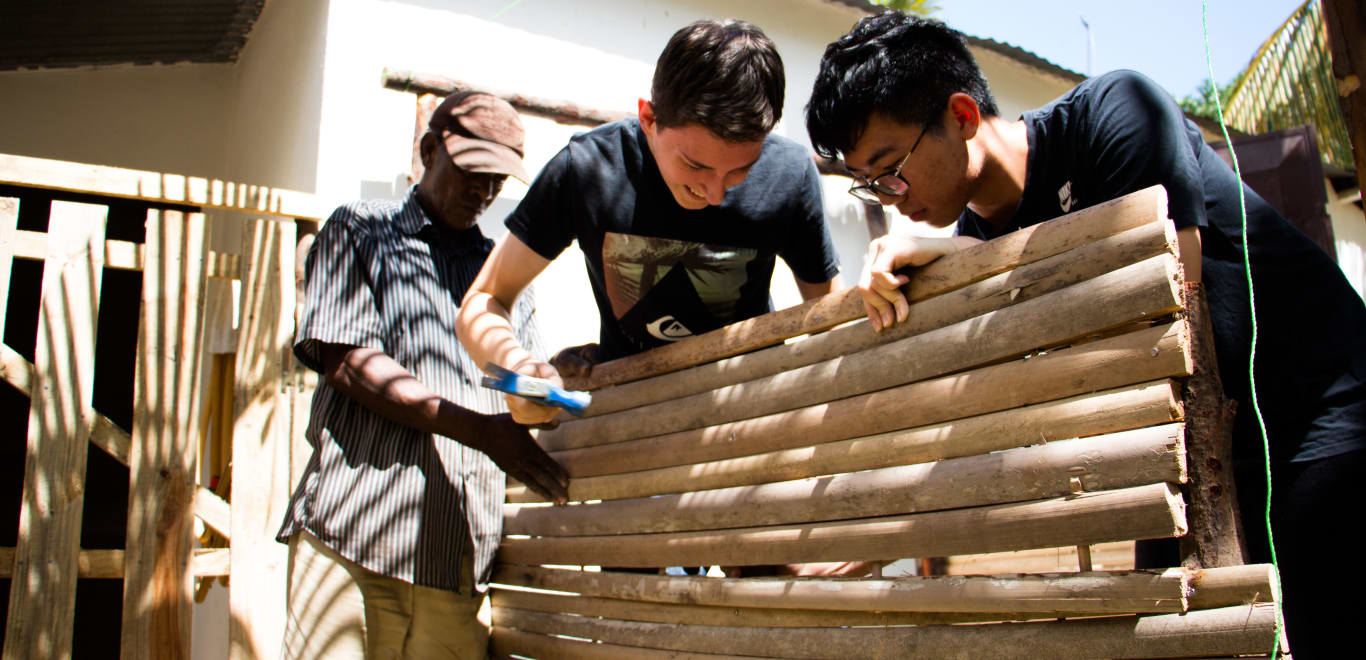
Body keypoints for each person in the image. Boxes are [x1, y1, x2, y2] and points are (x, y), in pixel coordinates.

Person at [805, 11, 1365, 657]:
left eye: (890, 167)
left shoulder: (1114, 111)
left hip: (1321, 412)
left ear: (961, 115)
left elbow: (1164, 294)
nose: (891, 197)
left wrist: (973, 269)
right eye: (870, 185)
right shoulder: (975, 244)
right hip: (1194, 451)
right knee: (1174, 638)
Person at [276, 91, 569, 660]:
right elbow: (349, 363)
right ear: (430, 149)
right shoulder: (361, 230)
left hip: (455, 563)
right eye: (472, 173)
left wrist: (555, 378)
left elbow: (513, 388)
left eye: (497, 182)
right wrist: (479, 431)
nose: (483, 193)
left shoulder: (501, 280)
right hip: (354, 544)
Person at [455, 18, 842, 429]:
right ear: (649, 119)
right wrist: (518, 370)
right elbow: (484, 301)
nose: (714, 194)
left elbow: (828, 316)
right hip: (634, 422)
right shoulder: (587, 170)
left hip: (747, 417)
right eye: (695, 165)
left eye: (740, 172)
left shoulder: (789, 172)